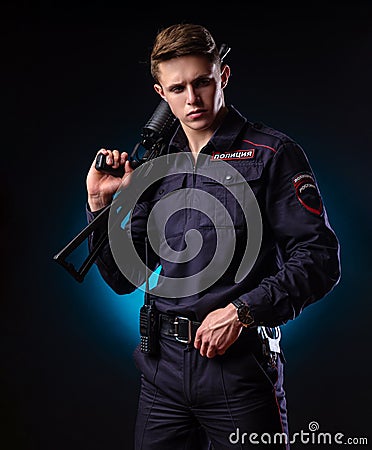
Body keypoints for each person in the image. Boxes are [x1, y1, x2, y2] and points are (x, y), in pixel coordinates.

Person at [85, 23, 341, 449]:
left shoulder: (271, 153)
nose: (192, 99)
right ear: (160, 94)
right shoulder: (155, 166)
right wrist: (101, 206)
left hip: (238, 369)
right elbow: (125, 278)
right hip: (160, 372)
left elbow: (319, 259)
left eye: (202, 82)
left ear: (222, 76)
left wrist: (243, 311)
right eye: (178, 88)